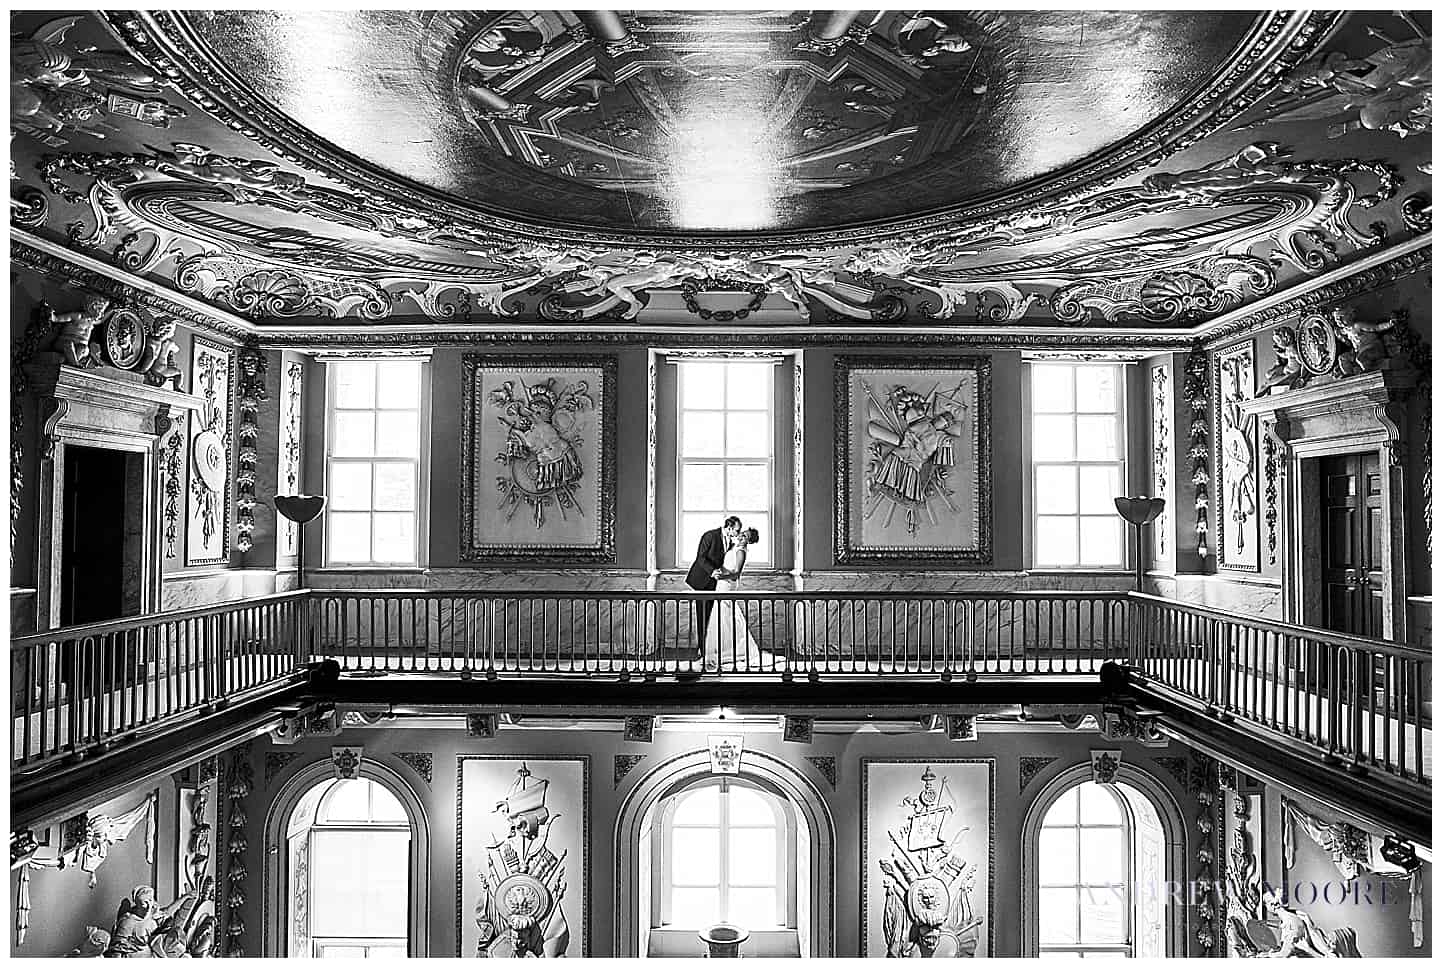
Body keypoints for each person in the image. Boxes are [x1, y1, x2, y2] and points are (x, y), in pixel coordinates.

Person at [703, 527, 775, 672]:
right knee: (721, 616)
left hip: (728, 584)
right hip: (722, 583)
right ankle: (721, 647)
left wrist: (720, 576)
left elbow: (736, 574)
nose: (742, 536)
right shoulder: (734, 547)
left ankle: (735, 649)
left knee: (728, 615)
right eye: (743, 534)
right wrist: (718, 570)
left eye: (746, 537)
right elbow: (726, 566)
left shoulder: (741, 551)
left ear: (749, 541)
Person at [686, 516, 740, 652]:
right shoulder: (710, 536)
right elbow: (700, 557)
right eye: (737, 530)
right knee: (702, 616)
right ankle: (702, 650)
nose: (738, 534)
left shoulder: (732, 542)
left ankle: (711, 649)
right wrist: (712, 572)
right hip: (702, 581)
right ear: (729, 527)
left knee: (712, 616)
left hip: (716, 583)